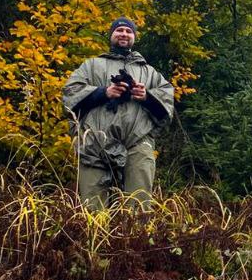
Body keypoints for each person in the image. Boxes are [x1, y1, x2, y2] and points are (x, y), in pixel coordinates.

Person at [63, 17, 174, 209]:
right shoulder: (91, 66)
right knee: (93, 210)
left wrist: (146, 96)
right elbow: (69, 95)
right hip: (95, 144)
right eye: (119, 30)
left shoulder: (149, 72)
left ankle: (134, 240)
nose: (124, 34)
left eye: (128, 31)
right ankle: (96, 239)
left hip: (137, 142)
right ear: (111, 35)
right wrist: (103, 92)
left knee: (138, 207)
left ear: (134, 37)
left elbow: (167, 103)